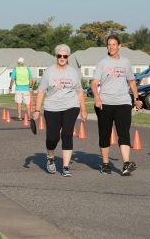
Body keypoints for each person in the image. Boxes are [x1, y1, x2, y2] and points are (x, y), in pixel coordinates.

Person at [91, 35, 143, 176]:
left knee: (124, 133)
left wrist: (136, 99)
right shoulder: (102, 63)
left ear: (119, 46)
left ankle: (126, 164)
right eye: (109, 44)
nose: (112, 47)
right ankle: (106, 164)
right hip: (105, 103)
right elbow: (94, 83)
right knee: (105, 134)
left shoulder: (126, 62)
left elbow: (131, 81)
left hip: (123, 102)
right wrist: (97, 98)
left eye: (114, 44)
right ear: (107, 46)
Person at [32, 44, 87, 177]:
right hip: (52, 107)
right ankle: (50, 158)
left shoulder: (73, 72)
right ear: (55, 56)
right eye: (59, 55)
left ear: (68, 57)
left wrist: (83, 109)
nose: (62, 58)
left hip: (71, 106)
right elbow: (41, 92)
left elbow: (79, 92)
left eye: (65, 56)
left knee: (67, 134)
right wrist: (37, 110)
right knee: (53, 137)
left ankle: (66, 166)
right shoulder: (49, 72)